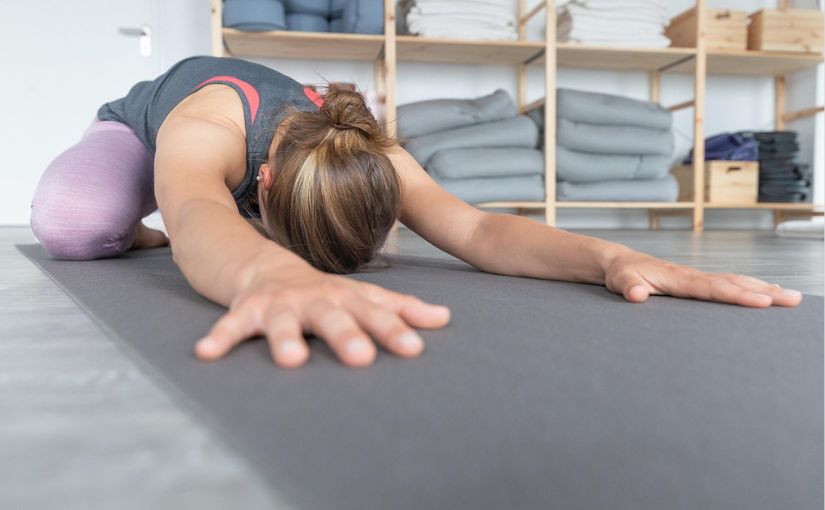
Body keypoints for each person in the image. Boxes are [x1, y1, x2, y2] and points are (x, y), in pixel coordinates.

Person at [29, 56, 803, 369]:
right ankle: (137, 223)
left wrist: (606, 257)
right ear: (261, 184)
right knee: (73, 224)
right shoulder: (207, 131)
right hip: (138, 131)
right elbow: (198, 211)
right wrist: (267, 272)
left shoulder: (371, 150)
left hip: (274, 176)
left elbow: (474, 228)